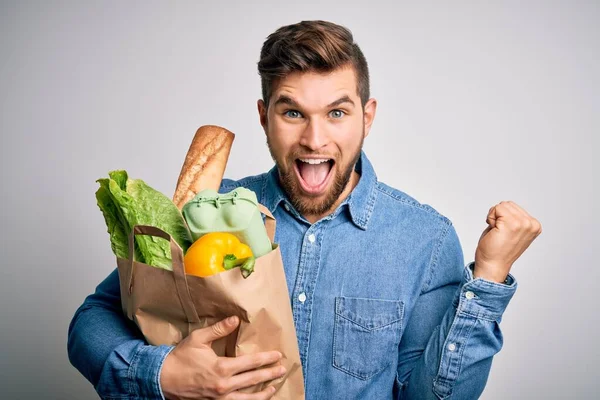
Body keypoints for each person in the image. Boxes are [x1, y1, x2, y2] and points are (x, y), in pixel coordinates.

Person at [68, 20, 542, 399]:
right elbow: (92, 320)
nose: (315, 140)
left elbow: (430, 396)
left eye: (337, 112)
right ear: (263, 116)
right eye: (292, 112)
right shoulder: (202, 212)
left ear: (367, 116)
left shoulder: (425, 238)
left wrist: (490, 276)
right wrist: (161, 374)